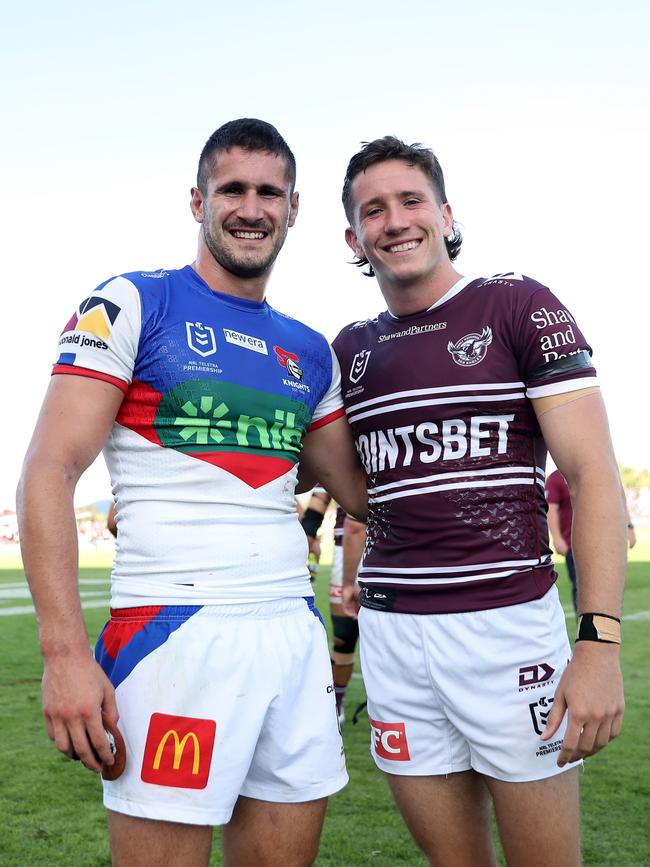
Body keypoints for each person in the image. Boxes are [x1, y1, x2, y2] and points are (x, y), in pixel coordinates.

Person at [16, 118, 366, 867]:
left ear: (295, 207)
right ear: (197, 200)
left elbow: (358, 491)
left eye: (269, 191)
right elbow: (49, 469)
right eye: (231, 188)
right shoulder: (131, 301)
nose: (250, 207)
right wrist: (64, 654)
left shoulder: (309, 348)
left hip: (292, 633)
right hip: (173, 632)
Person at [333, 136, 627, 867]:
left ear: (445, 213)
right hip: (396, 639)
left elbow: (591, 476)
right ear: (354, 237)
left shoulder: (517, 302)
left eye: (411, 201)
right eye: (374, 210)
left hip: (508, 634)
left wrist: (598, 642)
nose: (395, 220)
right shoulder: (349, 349)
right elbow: (349, 489)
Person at [301, 490, 366, 721]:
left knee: (388, 633)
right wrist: (309, 532)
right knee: (344, 636)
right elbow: (322, 491)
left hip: (384, 541)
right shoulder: (345, 453)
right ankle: (336, 704)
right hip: (347, 545)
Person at [546, 468, 636, 616]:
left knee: (608, 590)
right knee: (582, 591)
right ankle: (585, 632)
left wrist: (629, 527)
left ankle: (605, 634)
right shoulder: (556, 478)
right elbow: (552, 508)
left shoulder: (602, 472)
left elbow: (618, 497)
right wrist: (557, 538)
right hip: (575, 545)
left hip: (606, 543)